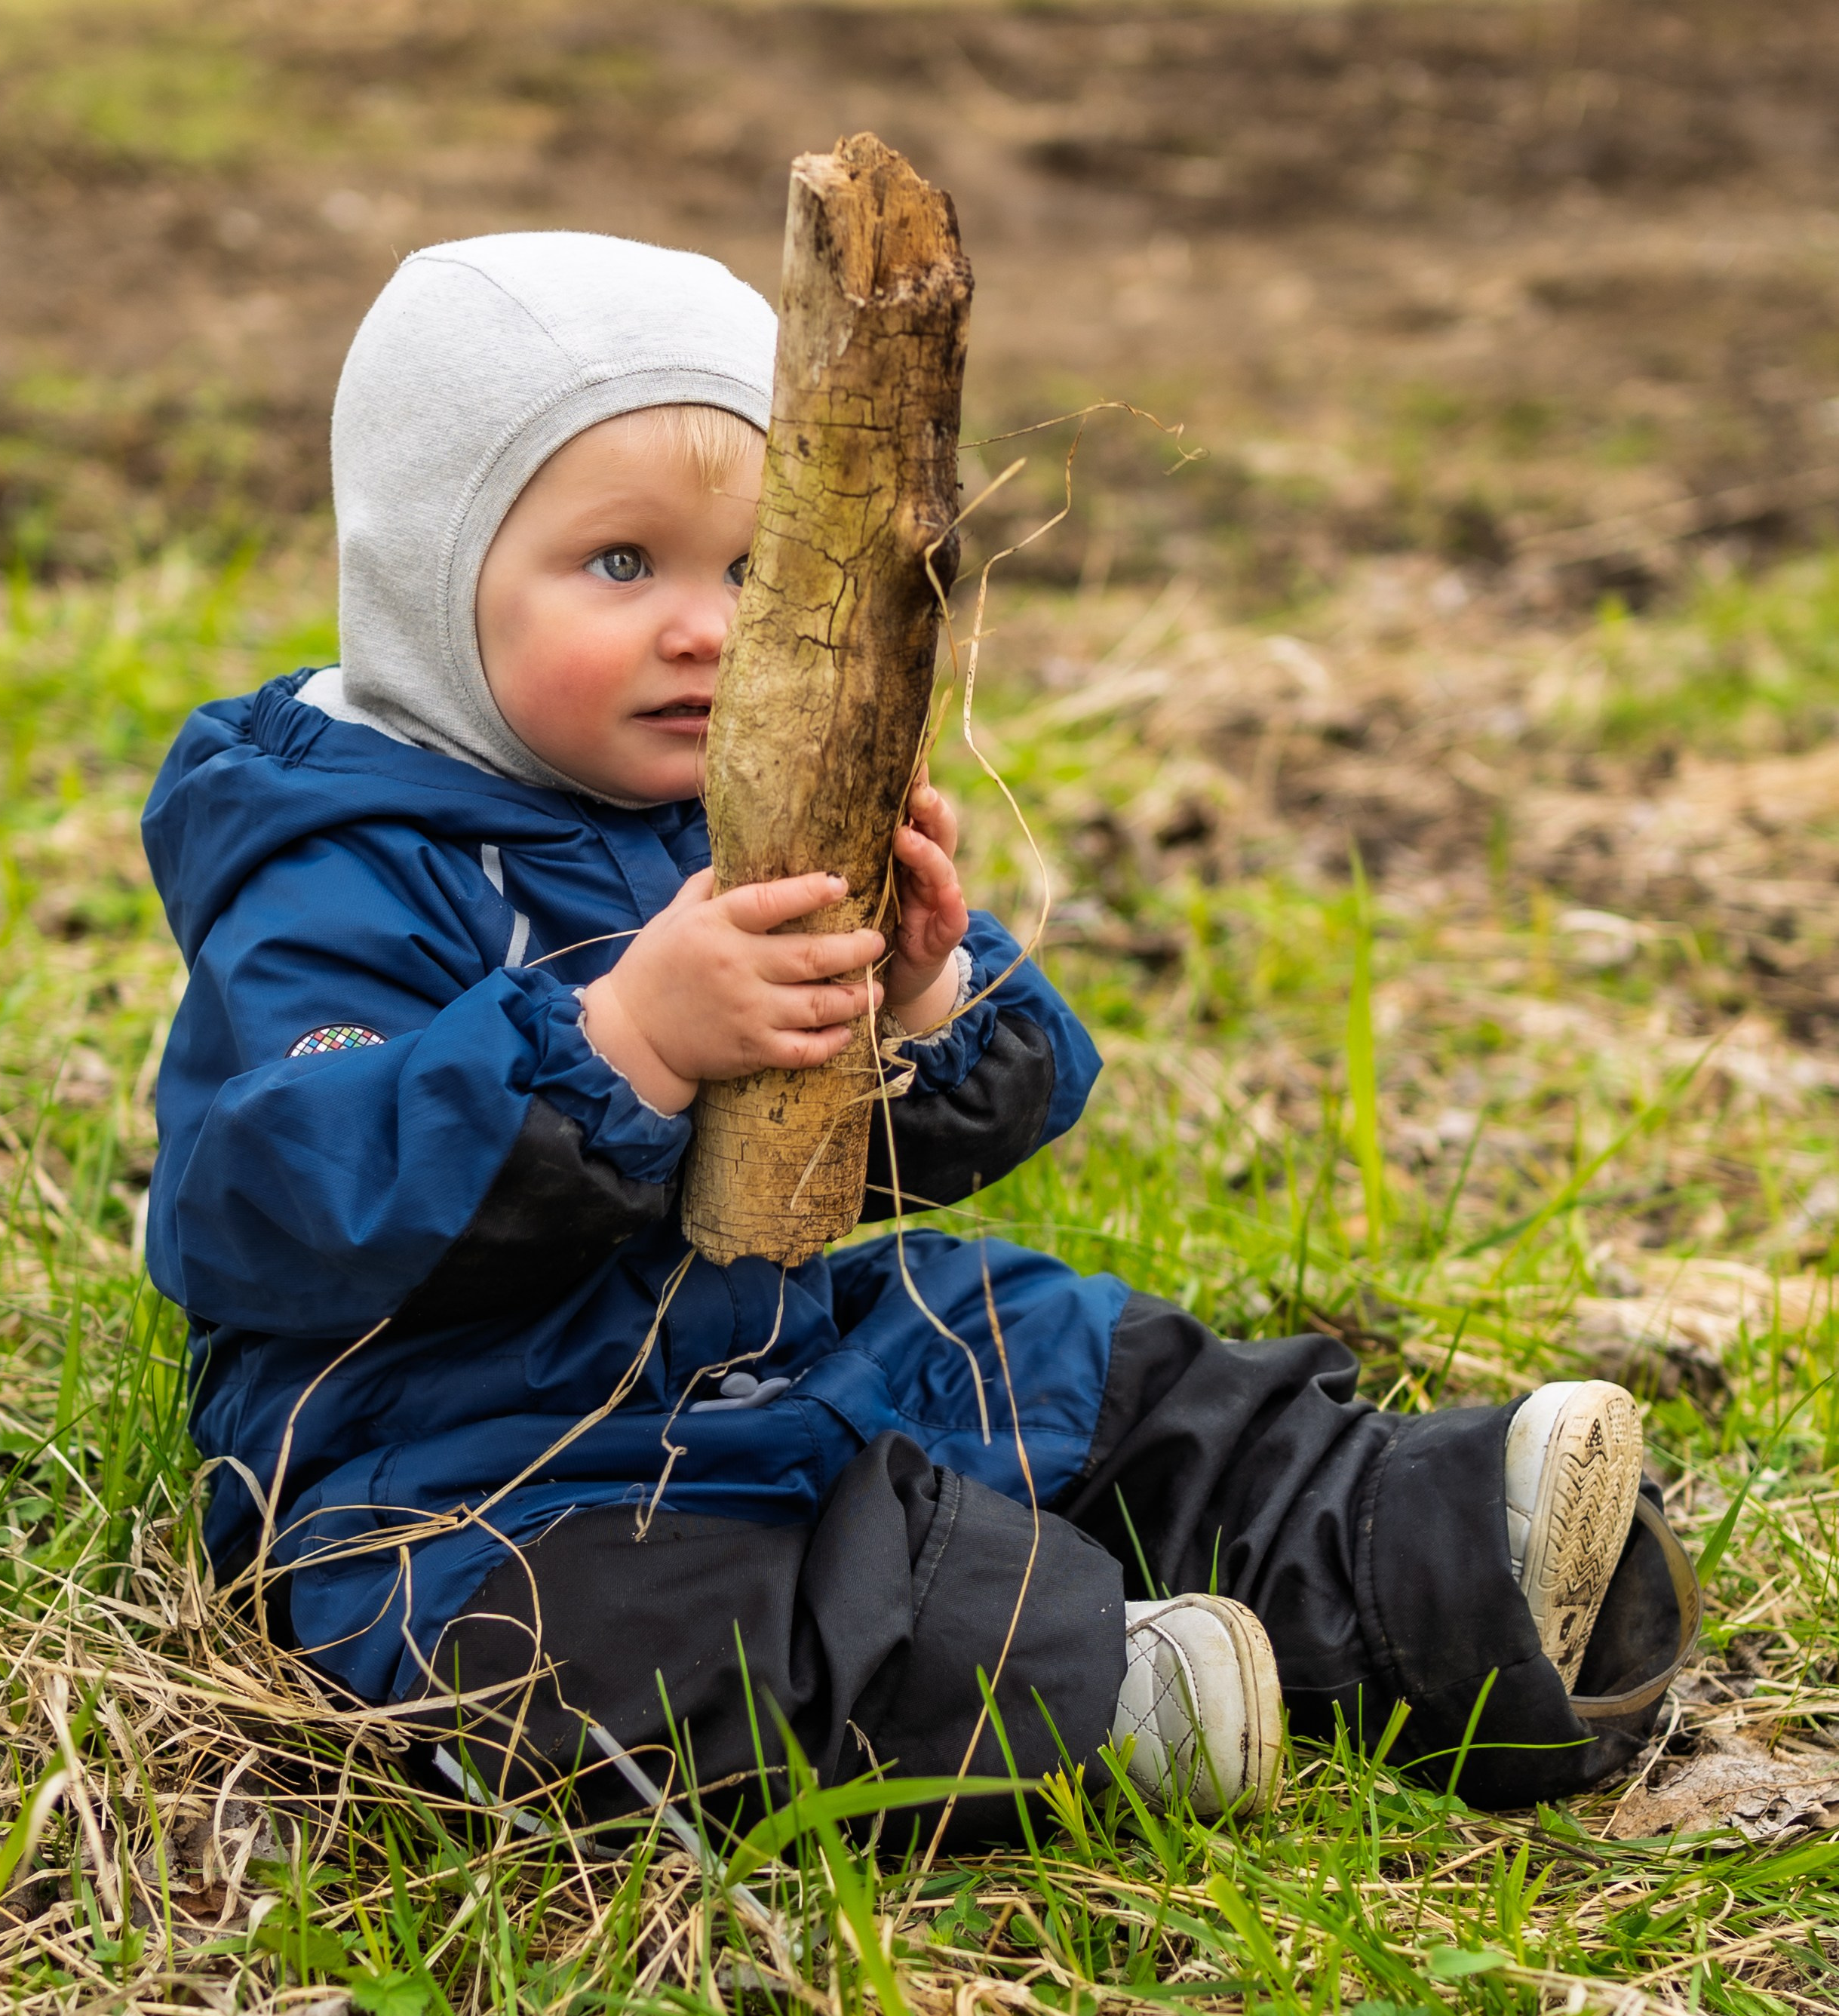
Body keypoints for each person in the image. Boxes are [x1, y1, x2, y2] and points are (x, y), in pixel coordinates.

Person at [141, 232, 1696, 1843]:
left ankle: (1428, 1560)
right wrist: (622, 1039)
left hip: (781, 1341)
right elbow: (261, 1202)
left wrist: (920, 1004)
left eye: (751, 574)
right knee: (603, 1648)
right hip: (477, 1467)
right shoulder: (337, 858)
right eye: (622, 565)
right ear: (424, 575)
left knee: (1081, 1357)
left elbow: (975, 1115)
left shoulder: (725, 790)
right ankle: (1093, 1703)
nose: (703, 629)